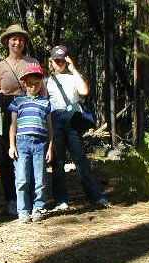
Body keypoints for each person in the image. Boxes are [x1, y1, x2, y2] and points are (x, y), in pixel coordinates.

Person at [46, 45, 111, 211]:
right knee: (58, 161)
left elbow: (84, 91)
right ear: (51, 61)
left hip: (72, 120)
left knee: (81, 160)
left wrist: (73, 68)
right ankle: (61, 200)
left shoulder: (74, 76)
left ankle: (96, 196)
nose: (59, 63)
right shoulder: (47, 81)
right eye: (56, 60)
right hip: (55, 120)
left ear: (67, 60)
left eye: (63, 59)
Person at [0, 24, 40, 215]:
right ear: (7, 42)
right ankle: (11, 198)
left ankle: (30, 198)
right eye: (13, 39)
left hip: (26, 106)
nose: (17, 42)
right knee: (3, 154)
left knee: (27, 151)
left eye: (21, 39)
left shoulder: (32, 63)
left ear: (24, 43)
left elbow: (42, 89)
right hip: (2, 108)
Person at [8, 65, 53, 223]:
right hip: (22, 144)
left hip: (40, 144)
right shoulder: (18, 101)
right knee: (22, 179)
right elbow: (13, 125)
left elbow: (49, 128)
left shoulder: (45, 103)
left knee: (40, 179)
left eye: (37, 83)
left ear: (42, 83)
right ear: (25, 83)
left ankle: (38, 207)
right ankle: (23, 210)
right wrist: (12, 145)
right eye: (30, 83)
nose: (34, 86)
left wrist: (50, 147)